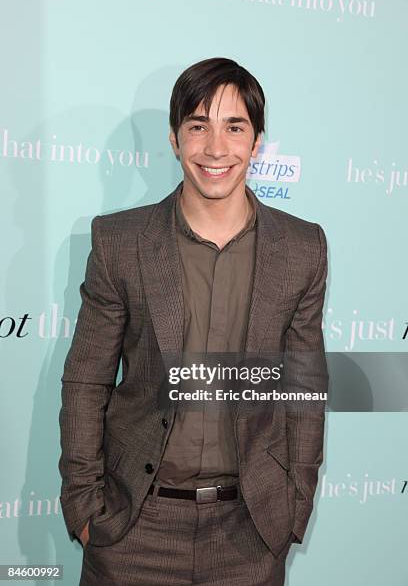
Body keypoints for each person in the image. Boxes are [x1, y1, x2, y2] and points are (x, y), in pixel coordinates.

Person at [58, 57, 329, 585]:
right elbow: (86, 380)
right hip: (133, 529)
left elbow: (302, 389)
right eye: (198, 125)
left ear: (257, 143)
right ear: (174, 138)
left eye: (235, 127)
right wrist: (86, 508)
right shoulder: (121, 242)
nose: (215, 147)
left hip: (250, 534)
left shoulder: (301, 249)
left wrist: (293, 507)